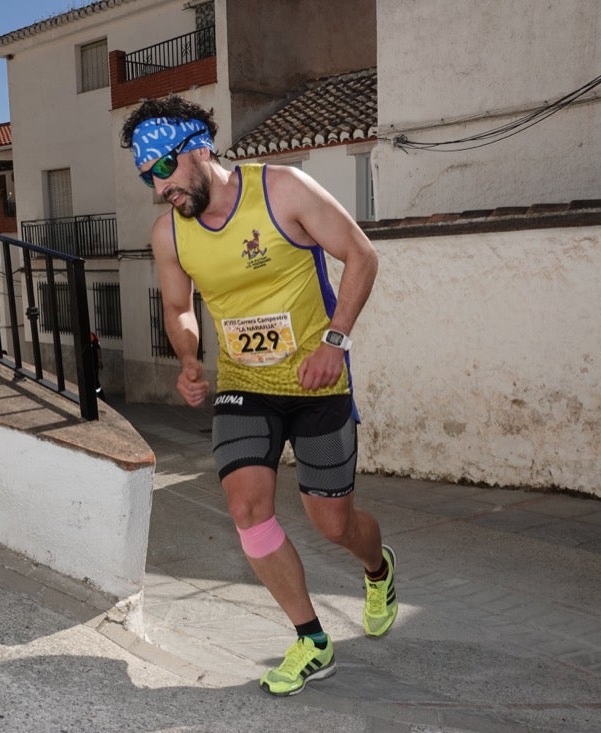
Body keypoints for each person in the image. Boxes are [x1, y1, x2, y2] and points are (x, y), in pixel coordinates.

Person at [121, 95, 396, 697]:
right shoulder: (170, 234)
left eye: (162, 170)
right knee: (247, 507)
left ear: (196, 148)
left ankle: (378, 569)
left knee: (335, 524)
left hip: (318, 380)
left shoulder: (283, 190)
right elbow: (177, 308)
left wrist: (335, 342)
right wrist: (191, 358)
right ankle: (312, 641)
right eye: (147, 178)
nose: (157, 188)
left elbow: (361, 255)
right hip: (246, 386)